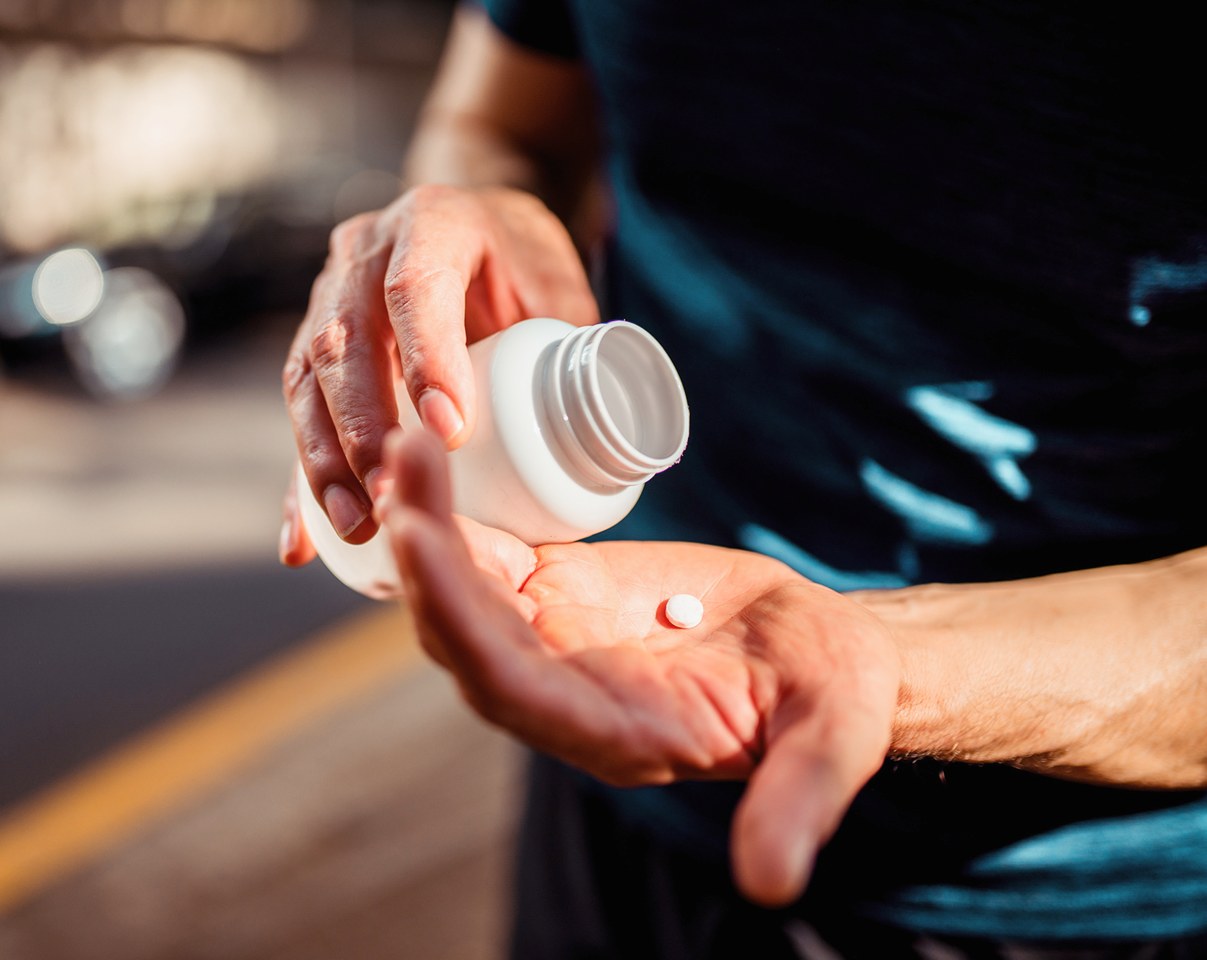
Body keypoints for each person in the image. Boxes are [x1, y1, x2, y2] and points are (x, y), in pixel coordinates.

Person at [280, 2, 1207, 955]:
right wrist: (482, 207)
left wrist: (893, 665)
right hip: (615, 726)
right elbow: (500, 120)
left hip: (1063, 891)